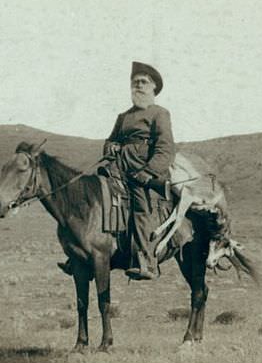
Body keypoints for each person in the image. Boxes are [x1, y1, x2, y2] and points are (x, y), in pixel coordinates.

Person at [58, 61, 175, 280]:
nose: (138, 86)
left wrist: (148, 173)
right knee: (95, 197)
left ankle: (146, 260)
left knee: (139, 204)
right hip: (117, 168)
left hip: (143, 171)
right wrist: (110, 146)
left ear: (153, 88)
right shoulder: (123, 117)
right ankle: (84, 251)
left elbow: (165, 148)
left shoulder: (159, 113)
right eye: (135, 82)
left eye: (143, 82)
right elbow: (110, 140)